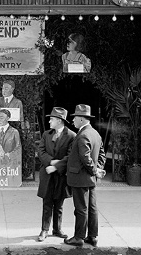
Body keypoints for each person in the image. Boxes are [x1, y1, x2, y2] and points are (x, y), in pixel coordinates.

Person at [64, 104, 106, 247]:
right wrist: (98, 169)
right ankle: (92, 236)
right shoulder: (95, 133)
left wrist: (94, 170)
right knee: (92, 208)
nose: (73, 120)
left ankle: (79, 237)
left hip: (81, 177)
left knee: (81, 208)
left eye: (75, 118)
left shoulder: (82, 135)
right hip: (90, 178)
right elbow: (102, 155)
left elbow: (85, 157)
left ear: (81, 119)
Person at [36, 107, 76, 242]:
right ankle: (44, 229)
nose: (49, 122)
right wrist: (51, 162)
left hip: (61, 175)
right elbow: (40, 151)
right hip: (47, 173)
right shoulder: (46, 134)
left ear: (59, 121)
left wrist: (57, 167)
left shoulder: (71, 136)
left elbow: (71, 156)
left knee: (59, 203)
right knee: (47, 202)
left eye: (51, 119)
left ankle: (57, 229)